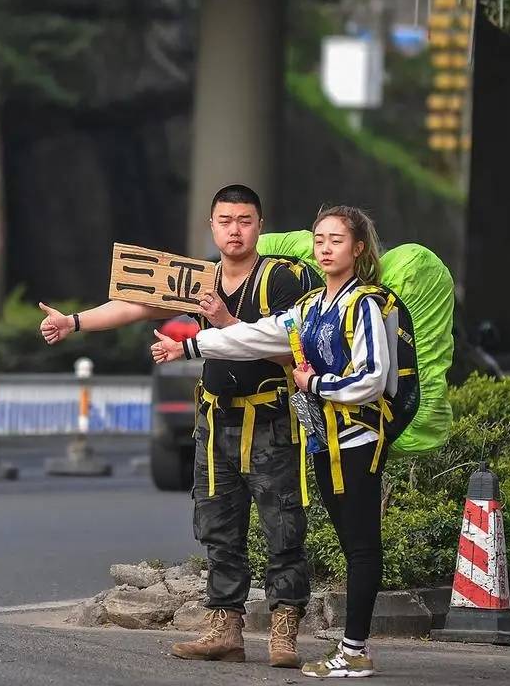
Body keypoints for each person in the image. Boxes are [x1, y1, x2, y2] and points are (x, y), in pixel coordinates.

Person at [40, 184, 310, 667]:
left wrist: (225, 321)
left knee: (283, 527)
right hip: (216, 418)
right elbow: (137, 304)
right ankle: (223, 629)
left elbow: (294, 350)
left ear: (260, 226)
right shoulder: (199, 277)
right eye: (225, 220)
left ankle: (284, 632)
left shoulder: (283, 279)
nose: (234, 230)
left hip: (270, 418)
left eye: (244, 220)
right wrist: (73, 322)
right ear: (211, 225)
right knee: (219, 527)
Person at [151, 205, 394, 679]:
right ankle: (341, 647)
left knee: (351, 545)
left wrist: (315, 385)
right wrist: (188, 347)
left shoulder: (364, 302)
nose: (325, 248)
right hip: (325, 436)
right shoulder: (311, 306)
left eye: (336, 241)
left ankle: (350, 649)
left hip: (357, 436)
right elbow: (253, 337)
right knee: (347, 544)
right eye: (319, 239)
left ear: (358, 249)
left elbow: (371, 378)